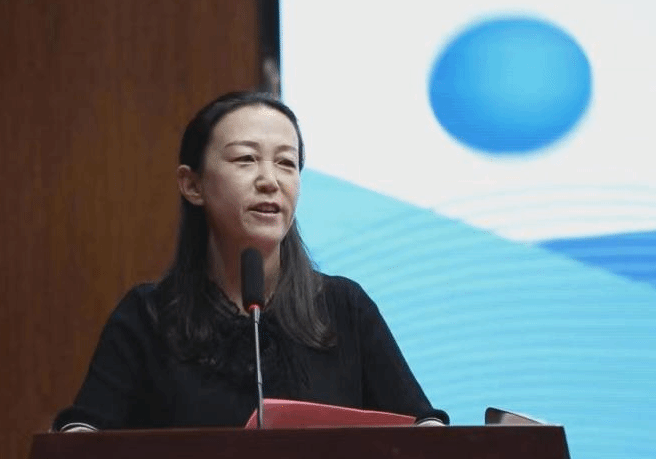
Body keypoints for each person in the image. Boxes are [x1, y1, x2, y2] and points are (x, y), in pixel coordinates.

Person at [51, 91, 449, 432]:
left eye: (286, 163)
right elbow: (84, 438)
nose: (270, 181)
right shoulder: (149, 316)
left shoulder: (343, 307)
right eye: (245, 159)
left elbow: (421, 428)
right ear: (192, 184)